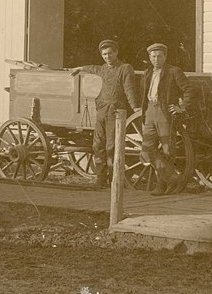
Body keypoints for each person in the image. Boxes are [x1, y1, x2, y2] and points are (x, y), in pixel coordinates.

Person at [70, 39, 139, 189]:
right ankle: (100, 179)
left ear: (116, 52)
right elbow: (93, 68)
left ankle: (114, 180)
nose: (108, 57)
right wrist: (80, 67)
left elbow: (129, 89)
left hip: (116, 112)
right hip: (101, 111)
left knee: (111, 146)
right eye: (104, 54)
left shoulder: (125, 68)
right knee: (98, 145)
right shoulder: (102, 69)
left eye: (110, 53)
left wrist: (135, 107)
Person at [140, 42, 195, 195]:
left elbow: (189, 89)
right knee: (147, 149)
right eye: (153, 56)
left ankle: (161, 185)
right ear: (150, 58)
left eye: (159, 56)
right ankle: (171, 177)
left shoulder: (173, 71)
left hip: (165, 112)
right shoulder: (148, 73)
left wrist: (182, 107)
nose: (156, 59)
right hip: (150, 110)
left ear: (165, 56)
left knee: (167, 150)